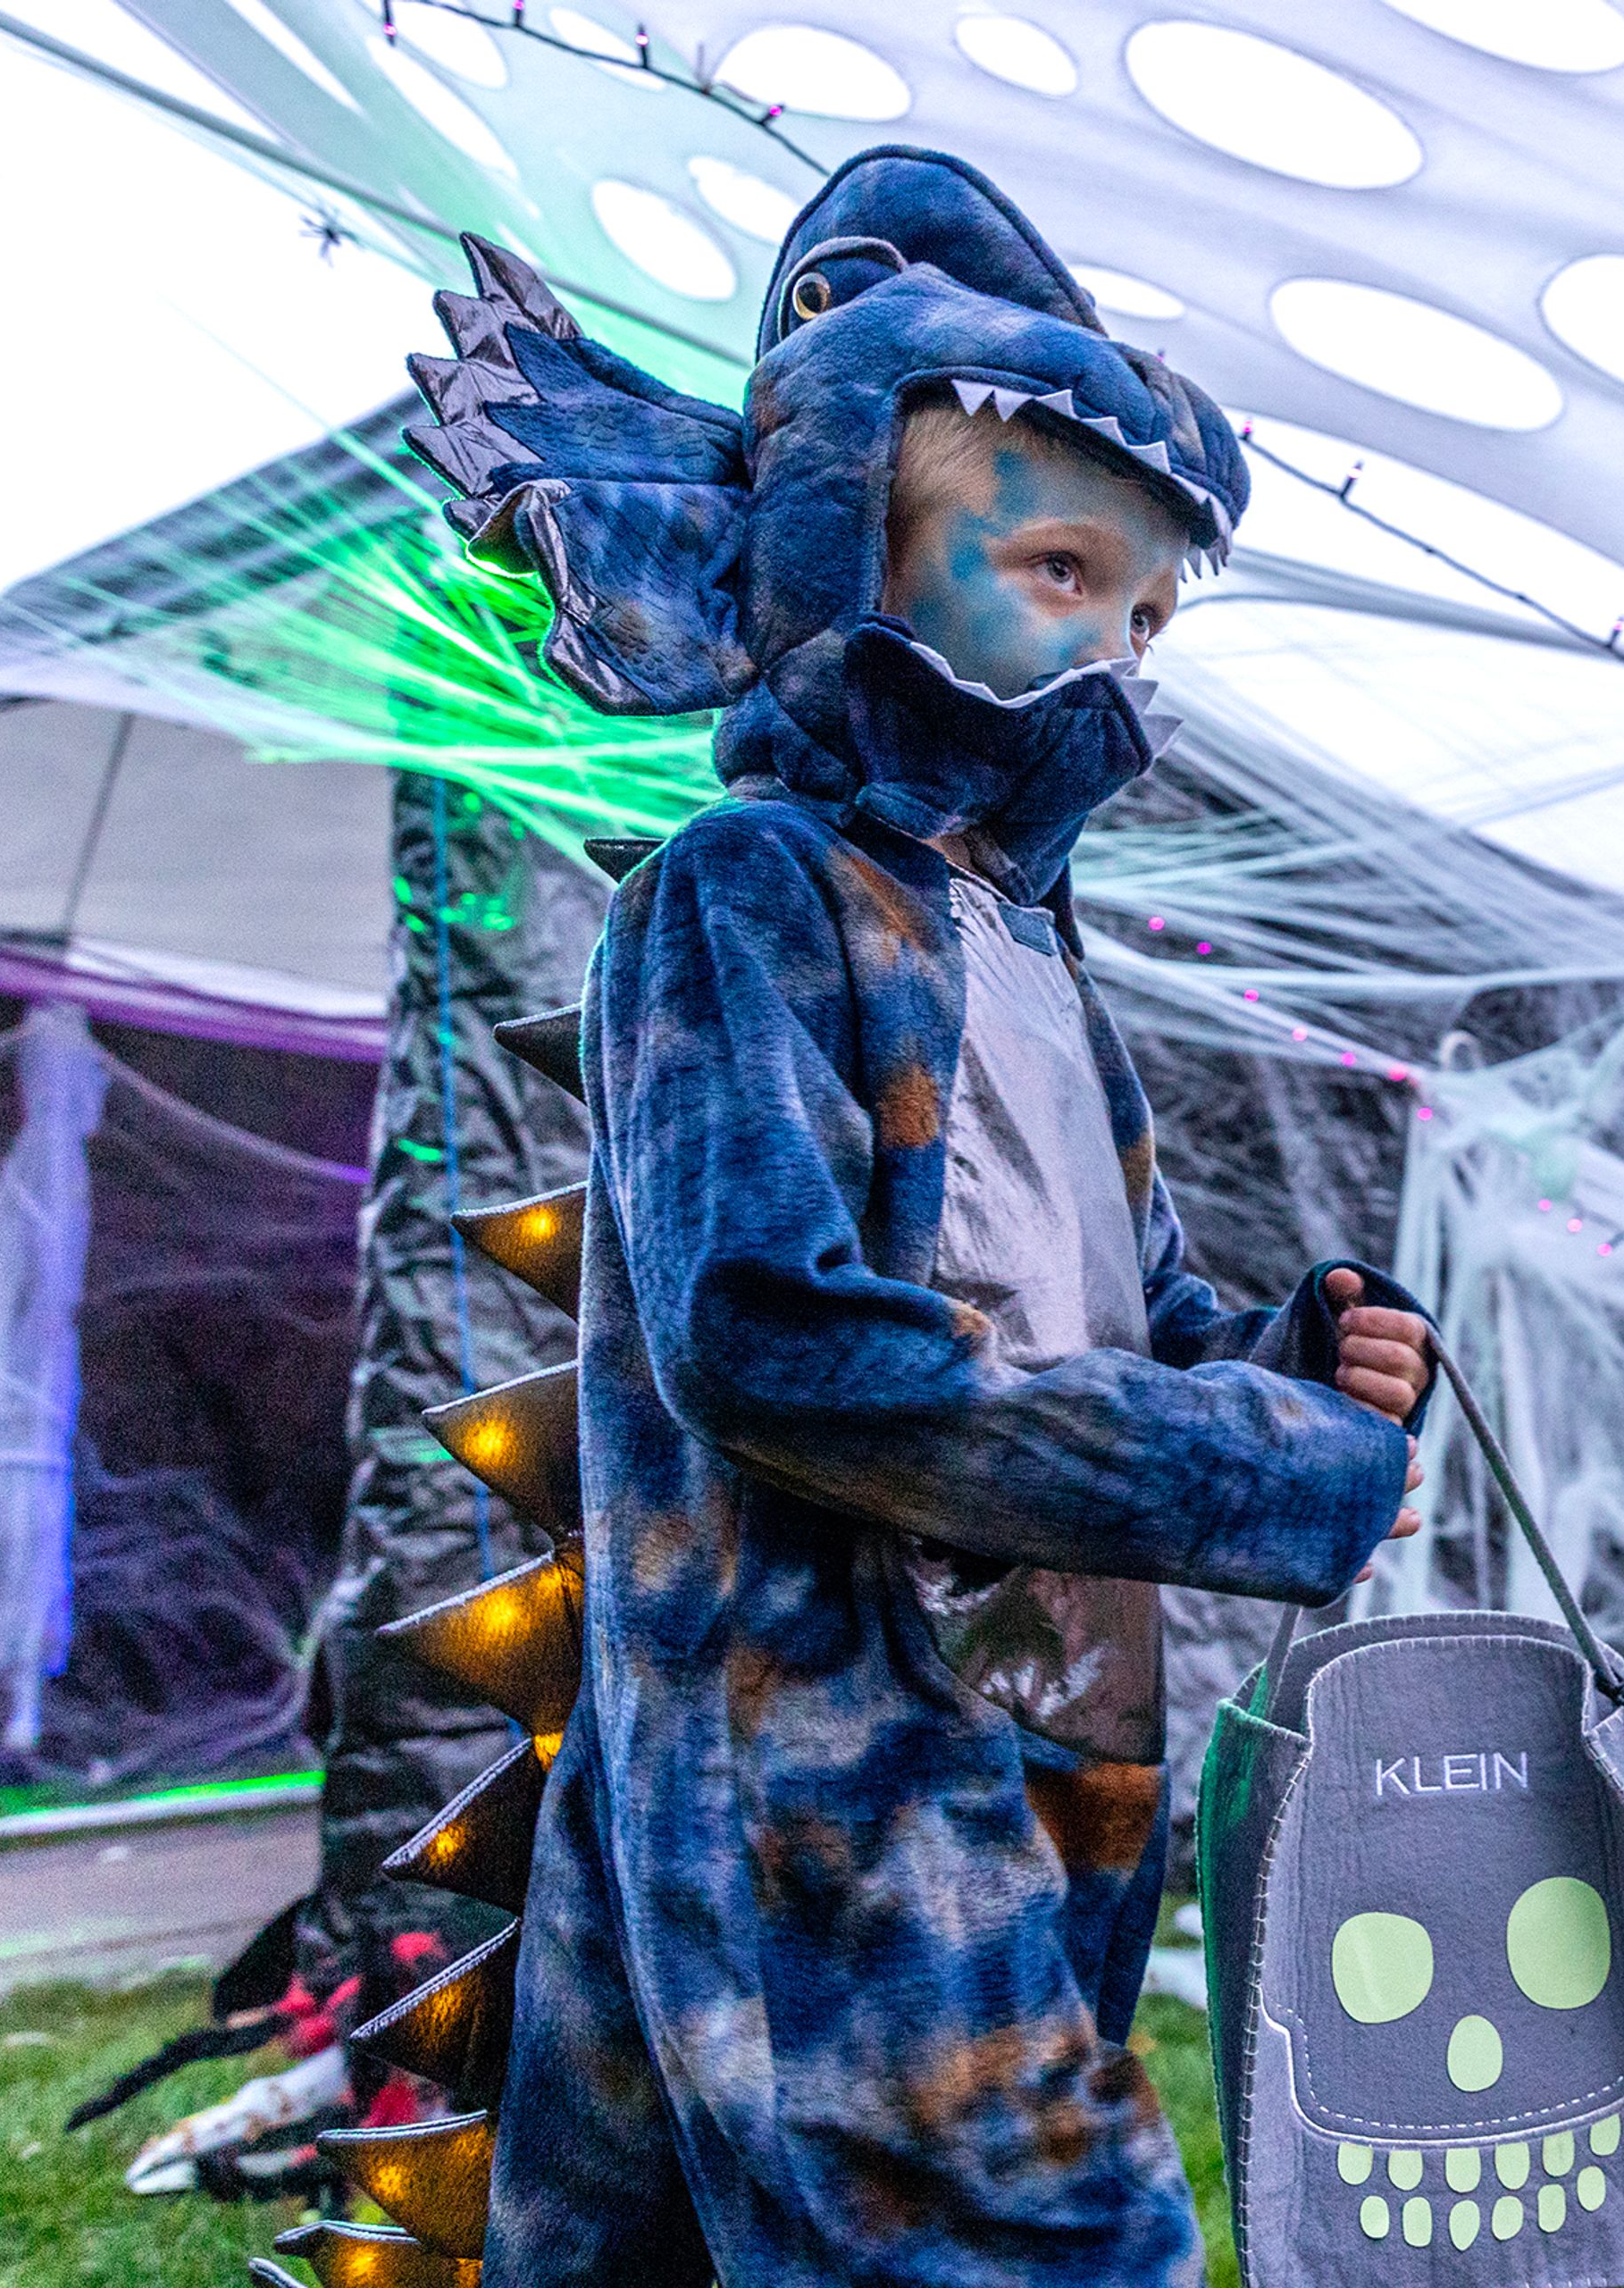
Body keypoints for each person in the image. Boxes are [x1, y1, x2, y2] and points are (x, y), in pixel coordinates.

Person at [397, 148, 1435, 2284]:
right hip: (823, 1762)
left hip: (1052, 1726)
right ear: (846, 542)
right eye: (1059, 571)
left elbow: (1118, 1322)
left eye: (1148, 612)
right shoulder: (751, 897)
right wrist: (1262, 1465)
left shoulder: (1035, 952)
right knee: (1041, 2253)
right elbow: (773, 1340)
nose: (1120, 661)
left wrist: (1276, 1356)